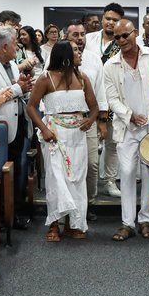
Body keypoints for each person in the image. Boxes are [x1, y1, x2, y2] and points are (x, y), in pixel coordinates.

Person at [103, 19, 149, 240]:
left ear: (135, 33)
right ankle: (127, 223)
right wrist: (129, 115)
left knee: (148, 173)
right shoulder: (110, 65)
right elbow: (112, 99)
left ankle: (145, 220)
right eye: (117, 37)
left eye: (125, 35)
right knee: (125, 173)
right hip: (126, 127)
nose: (122, 40)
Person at [26, 41, 99, 241]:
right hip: (55, 135)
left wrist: (90, 120)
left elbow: (94, 107)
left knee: (76, 180)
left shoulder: (82, 78)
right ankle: (54, 224)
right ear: (65, 55)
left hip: (77, 135)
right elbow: (31, 107)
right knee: (56, 179)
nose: (80, 53)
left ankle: (72, 223)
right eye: (75, 50)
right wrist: (44, 129)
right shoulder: (45, 78)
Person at [0, 27, 34, 229]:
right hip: (0, 125)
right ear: (4, 47)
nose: (17, 48)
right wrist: (18, 88)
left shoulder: (10, 62)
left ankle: (15, 210)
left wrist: (22, 85)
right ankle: (2, 214)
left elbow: (13, 87)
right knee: (3, 171)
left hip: (18, 120)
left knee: (17, 168)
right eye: (14, 45)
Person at [64, 21, 109, 222]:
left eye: (83, 34)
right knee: (68, 166)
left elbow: (100, 91)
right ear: (67, 36)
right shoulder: (54, 59)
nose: (80, 38)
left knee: (91, 164)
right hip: (63, 122)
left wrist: (101, 121)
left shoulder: (93, 59)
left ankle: (89, 203)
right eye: (75, 35)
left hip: (88, 120)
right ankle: (67, 205)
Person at [84, 3, 124, 196]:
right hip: (89, 98)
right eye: (108, 18)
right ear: (102, 19)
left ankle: (110, 181)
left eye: (115, 20)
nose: (110, 22)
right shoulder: (89, 38)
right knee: (88, 144)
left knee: (112, 142)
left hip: (115, 96)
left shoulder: (124, 41)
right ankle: (86, 184)